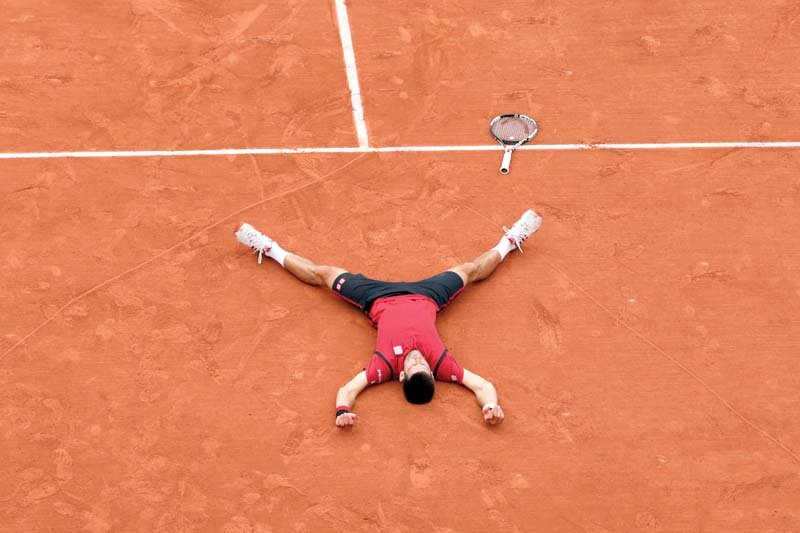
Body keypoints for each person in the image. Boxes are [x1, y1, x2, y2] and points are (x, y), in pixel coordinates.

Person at [234, 209, 542, 428]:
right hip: (428, 295)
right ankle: (511, 241)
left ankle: (268, 248)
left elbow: (349, 390)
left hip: (376, 298)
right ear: (433, 375)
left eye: (413, 365)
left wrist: (343, 411)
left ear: (403, 377)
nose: (419, 360)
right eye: (424, 365)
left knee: (323, 274)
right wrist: (490, 406)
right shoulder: (443, 367)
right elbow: (482, 385)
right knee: (470, 270)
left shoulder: (382, 368)